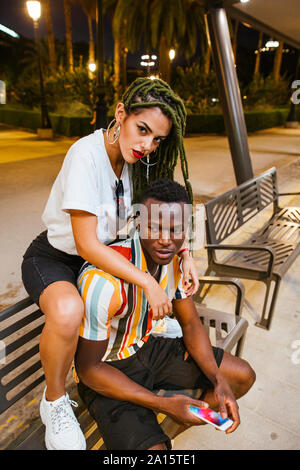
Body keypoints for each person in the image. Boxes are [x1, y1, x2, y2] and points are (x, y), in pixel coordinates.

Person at [21, 78, 199, 450]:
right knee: (70, 311)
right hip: (58, 257)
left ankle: (145, 331)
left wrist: (186, 253)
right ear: (121, 114)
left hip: (105, 256)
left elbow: (163, 211)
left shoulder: (137, 162)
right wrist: (148, 284)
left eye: (157, 140)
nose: (147, 146)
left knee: (154, 259)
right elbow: (85, 244)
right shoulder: (85, 155)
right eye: (142, 130)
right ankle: (53, 401)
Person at [75, 179, 256, 451]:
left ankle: (173, 421)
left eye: (176, 230)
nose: (165, 240)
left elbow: (191, 323)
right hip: (107, 368)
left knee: (241, 376)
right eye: (155, 227)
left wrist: (218, 380)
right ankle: (153, 428)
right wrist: (162, 404)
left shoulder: (175, 260)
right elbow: (88, 370)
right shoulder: (103, 282)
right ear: (138, 222)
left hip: (146, 348)